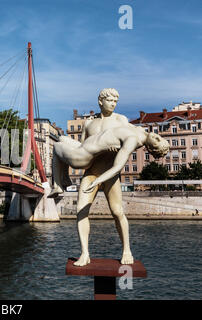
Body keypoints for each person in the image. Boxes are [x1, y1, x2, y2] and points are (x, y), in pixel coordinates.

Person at [68, 88, 140, 266]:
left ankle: (126, 250)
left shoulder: (121, 120)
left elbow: (135, 140)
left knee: (117, 212)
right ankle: (84, 253)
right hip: (91, 172)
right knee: (81, 211)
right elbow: (82, 148)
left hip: (111, 173)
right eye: (110, 100)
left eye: (115, 101)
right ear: (101, 101)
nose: (113, 104)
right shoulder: (88, 124)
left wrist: (118, 149)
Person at [50, 124, 169, 195]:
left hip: (82, 157)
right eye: (159, 138)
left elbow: (117, 168)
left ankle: (58, 186)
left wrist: (97, 181)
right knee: (62, 139)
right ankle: (65, 178)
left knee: (56, 146)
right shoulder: (141, 130)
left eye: (156, 142)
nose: (156, 137)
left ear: (150, 148)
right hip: (82, 147)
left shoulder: (132, 141)